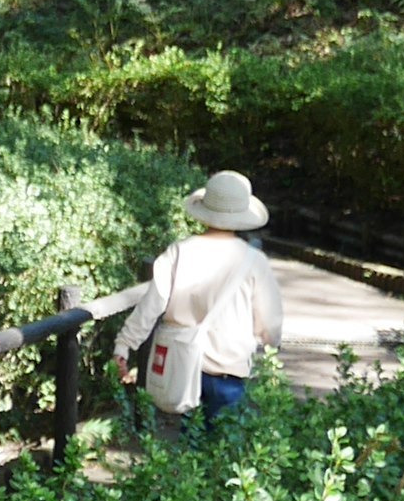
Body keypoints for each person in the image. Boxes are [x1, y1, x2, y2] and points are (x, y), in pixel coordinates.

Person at [117, 168, 284, 441]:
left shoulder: (179, 251)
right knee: (223, 452)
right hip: (229, 370)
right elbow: (270, 324)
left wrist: (124, 345)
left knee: (189, 448)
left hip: (182, 367)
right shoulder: (254, 261)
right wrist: (268, 343)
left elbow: (151, 306)